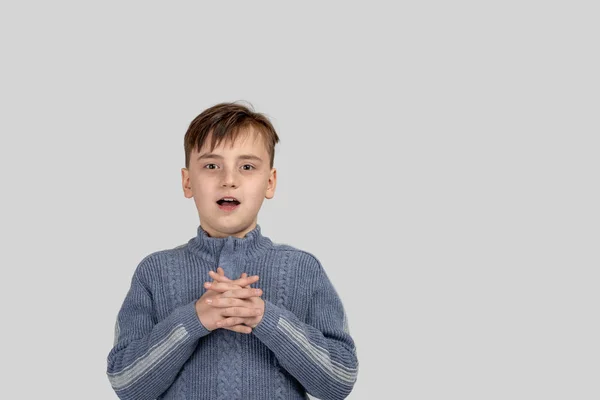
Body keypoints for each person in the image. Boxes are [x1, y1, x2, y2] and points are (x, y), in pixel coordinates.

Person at [106, 102, 359, 400]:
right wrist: (193, 320)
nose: (229, 179)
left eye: (247, 167)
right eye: (212, 166)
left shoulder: (303, 268)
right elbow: (126, 383)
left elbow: (339, 381)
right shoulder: (154, 271)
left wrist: (266, 317)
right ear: (188, 182)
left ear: (270, 181)